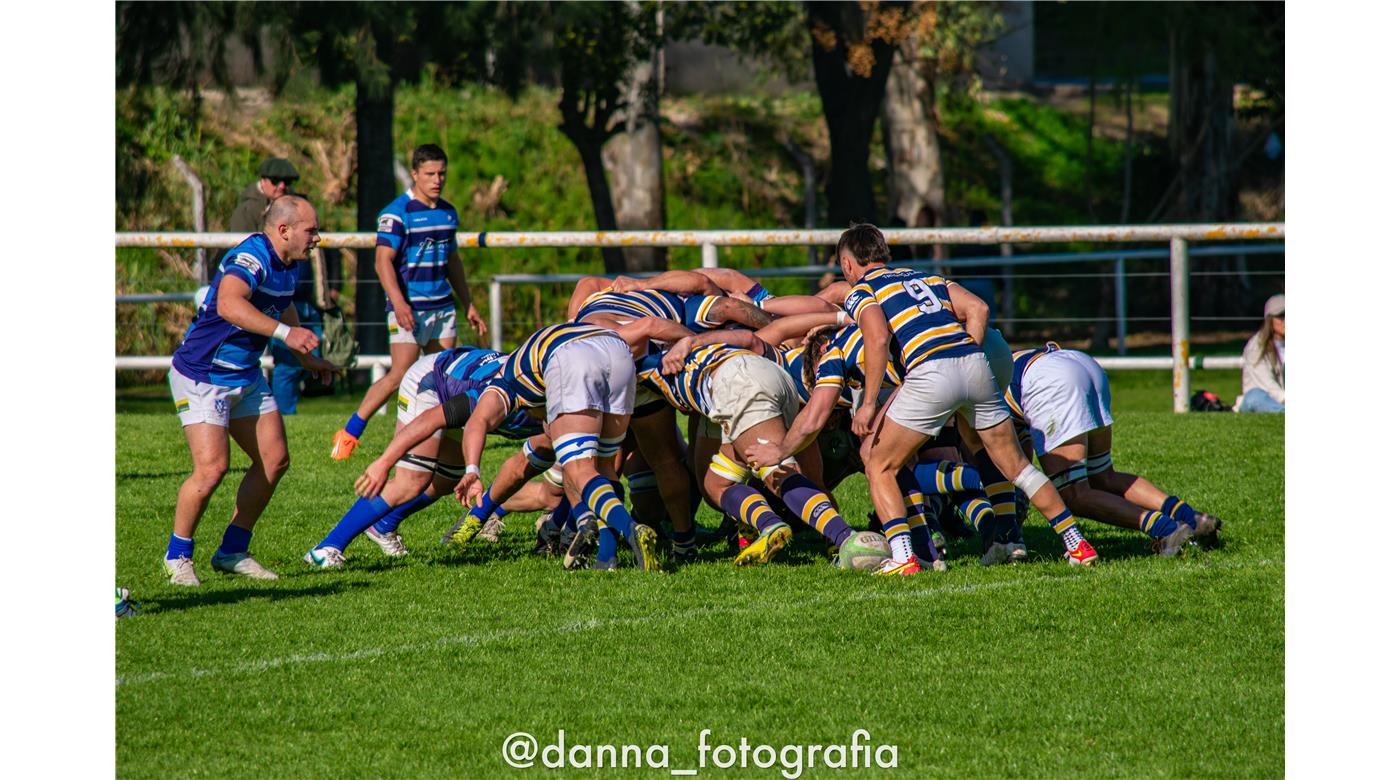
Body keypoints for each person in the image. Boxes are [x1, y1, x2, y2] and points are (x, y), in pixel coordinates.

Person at [818, 224, 1097, 575]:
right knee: (1018, 467)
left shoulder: (861, 289)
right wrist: (968, 355)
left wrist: (870, 402)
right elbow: (978, 308)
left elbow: (876, 339)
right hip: (974, 363)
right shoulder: (926, 277)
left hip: (931, 371)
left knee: (878, 464)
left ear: (847, 263)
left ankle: (905, 557)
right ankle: (1077, 544)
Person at [164, 196, 339, 586]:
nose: (317, 238)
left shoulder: (289, 264)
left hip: (244, 375)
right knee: (211, 470)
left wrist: (304, 355)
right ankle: (177, 556)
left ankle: (231, 551)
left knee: (274, 461)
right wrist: (286, 334)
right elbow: (228, 304)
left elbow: (282, 305)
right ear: (284, 230)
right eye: (311, 230)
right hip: (203, 375)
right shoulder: (252, 257)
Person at [332, 144, 488, 459]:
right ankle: (350, 433)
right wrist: (400, 304)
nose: (437, 179)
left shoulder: (447, 212)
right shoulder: (396, 213)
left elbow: (453, 262)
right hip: (410, 310)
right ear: (414, 174)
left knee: (447, 376)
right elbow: (382, 262)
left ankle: (440, 443)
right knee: (399, 374)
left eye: (442, 173)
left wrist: (467, 302)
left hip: (442, 308)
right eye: (430, 173)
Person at [1005, 343, 1222, 556]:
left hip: (1050, 381)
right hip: (1081, 364)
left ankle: (1167, 530)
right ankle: (1192, 518)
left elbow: (1010, 461)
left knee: (1073, 493)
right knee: (1103, 476)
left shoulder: (975, 393)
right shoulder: (986, 362)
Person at [1239, 294, 1284, 413]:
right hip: (1263, 401)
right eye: (1281, 317)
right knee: (1255, 397)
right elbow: (1268, 386)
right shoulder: (1257, 346)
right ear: (1269, 320)